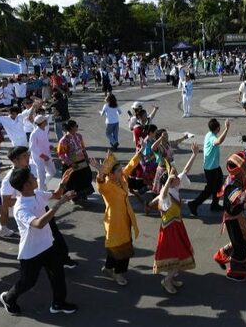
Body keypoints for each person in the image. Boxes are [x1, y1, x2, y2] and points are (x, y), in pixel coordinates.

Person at [0, 167, 78, 316]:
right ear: (26, 185)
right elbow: (38, 224)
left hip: (48, 244)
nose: (35, 178)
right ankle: (8, 298)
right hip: (32, 252)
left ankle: (58, 303)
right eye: (32, 177)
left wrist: (62, 184)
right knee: (28, 282)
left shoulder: (37, 193)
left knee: (58, 275)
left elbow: (55, 194)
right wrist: (59, 203)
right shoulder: (21, 207)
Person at [152, 143, 200, 294]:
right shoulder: (165, 195)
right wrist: (167, 180)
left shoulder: (174, 187)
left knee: (179, 255)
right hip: (169, 231)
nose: (179, 177)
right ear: (170, 182)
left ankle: (170, 279)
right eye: (175, 177)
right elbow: (163, 194)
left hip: (177, 226)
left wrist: (194, 154)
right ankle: (167, 280)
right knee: (178, 255)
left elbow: (186, 170)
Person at [91, 150, 142, 287]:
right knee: (121, 249)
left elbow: (130, 166)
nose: (122, 172)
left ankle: (108, 268)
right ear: (111, 174)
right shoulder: (107, 186)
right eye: (119, 171)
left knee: (116, 248)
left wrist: (140, 152)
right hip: (114, 222)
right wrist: (100, 171)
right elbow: (100, 183)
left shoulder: (121, 179)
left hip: (125, 219)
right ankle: (118, 273)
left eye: (120, 170)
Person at [213, 152, 246, 282]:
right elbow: (239, 199)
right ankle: (235, 272)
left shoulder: (234, 178)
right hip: (233, 220)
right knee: (240, 246)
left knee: (245, 241)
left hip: (237, 217)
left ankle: (222, 254)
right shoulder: (232, 184)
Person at [188, 118, 230, 216]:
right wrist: (227, 129)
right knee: (209, 190)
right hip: (210, 169)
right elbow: (218, 141)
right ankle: (193, 204)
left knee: (219, 184)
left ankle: (214, 204)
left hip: (215, 167)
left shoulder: (209, 134)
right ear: (217, 128)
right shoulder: (212, 137)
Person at [56, 120, 94, 202]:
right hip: (71, 163)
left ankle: (83, 194)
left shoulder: (79, 136)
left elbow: (83, 148)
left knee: (85, 177)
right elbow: (61, 154)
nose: (77, 127)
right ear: (72, 127)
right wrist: (70, 163)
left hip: (81, 161)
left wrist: (86, 158)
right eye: (76, 125)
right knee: (74, 181)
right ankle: (74, 197)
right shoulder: (64, 140)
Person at [29, 115, 56, 191]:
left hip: (47, 154)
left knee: (52, 173)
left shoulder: (45, 129)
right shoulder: (34, 133)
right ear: (41, 122)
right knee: (41, 174)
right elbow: (32, 147)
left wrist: (50, 146)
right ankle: (41, 190)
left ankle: (43, 184)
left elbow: (45, 142)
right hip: (39, 157)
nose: (46, 121)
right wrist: (42, 155)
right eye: (45, 120)